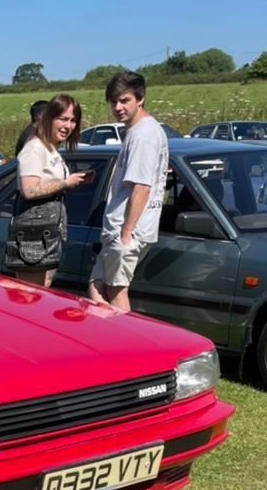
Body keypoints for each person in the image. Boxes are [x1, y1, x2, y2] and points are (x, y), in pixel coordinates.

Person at [88, 71, 169, 311]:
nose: (117, 107)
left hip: (127, 230)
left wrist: (126, 232)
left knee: (116, 291)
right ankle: (106, 333)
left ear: (140, 98)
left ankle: (124, 334)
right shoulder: (138, 131)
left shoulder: (143, 135)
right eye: (114, 101)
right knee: (96, 286)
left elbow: (142, 187)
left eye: (124, 100)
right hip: (120, 229)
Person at [9, 95, 92, 287]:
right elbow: (29, 190)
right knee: (29, 294)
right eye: (63, 119)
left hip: (49, 230)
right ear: (49, 118)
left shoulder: (50, 148)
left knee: (42, 290)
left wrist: (75, 181)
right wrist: (65, 183)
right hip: (33, 232)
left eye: (73, 120)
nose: (68, 126)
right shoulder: (34, 148)